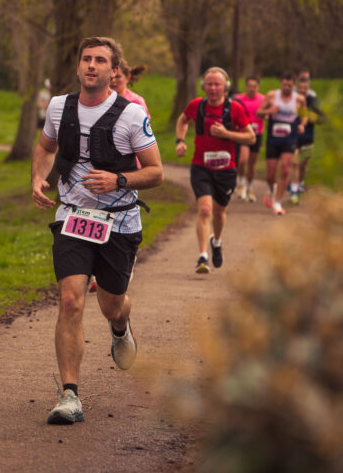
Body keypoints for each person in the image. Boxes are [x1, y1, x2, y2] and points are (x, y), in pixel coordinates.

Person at [32, 36, 163, 425]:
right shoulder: (59, 106)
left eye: (100, 61)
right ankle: (70, 396)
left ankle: (121, 327)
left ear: (114, 71)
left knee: (111, 305)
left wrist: (119, 179)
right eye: (86, 59)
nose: (91, 66)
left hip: (119, 221)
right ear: (78, 67)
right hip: (72, 216)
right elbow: (45, 146)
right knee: (71, 300)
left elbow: (155, 172)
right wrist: (38, 178)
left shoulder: (131, 115)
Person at [175, 67, 255, 274]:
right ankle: (203, 256)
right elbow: (183, 120)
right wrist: (180, 141)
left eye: (217, 84)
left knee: (219, 212)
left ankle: (216, 241)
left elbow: (250, 137)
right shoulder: (196, 105)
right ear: (204, 86)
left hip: (226, 170)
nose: (213, 88)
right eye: (209, 84)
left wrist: (226, 133)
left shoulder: (235, 109)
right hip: (200, 166)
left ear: (225, 87)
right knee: (205, 210)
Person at [257, 71, 305, 215]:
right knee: (270, 175)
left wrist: (302, 124)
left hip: (290, 137)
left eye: (289, 85)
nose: (287, 88)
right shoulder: (272, 96)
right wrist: (270, 111)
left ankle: (277, 202)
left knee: (285, 169)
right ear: (281, 84)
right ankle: (272, 188)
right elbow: (259, 112)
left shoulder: (299, 99)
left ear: (293, 85)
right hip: (273, 137)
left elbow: (304, 115)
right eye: (284, 85)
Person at [290, 70, 325, 203]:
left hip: (308, 136)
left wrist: (308, 116)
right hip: (293, 137)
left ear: (308, 88)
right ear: (297, 88)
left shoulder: (313, 101)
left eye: (305, 88)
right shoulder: (291, 100)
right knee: (294, 162)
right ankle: (294, 191)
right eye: (300, 88)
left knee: (303, 166)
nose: (302, 90)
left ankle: (300, 183)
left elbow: (322, 119)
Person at [233, 75, 265, 202]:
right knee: (242, 160)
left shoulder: (263, 99)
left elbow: (268, 112)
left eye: (254, 86)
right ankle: (241, 183)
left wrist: (266, 115)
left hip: (257, 135)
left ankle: (250, 188)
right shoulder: (238, 99)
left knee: (252, 165)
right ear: (246, 86)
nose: (252, 89)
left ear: (258, 87)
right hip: (243, 134)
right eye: (249, 86)